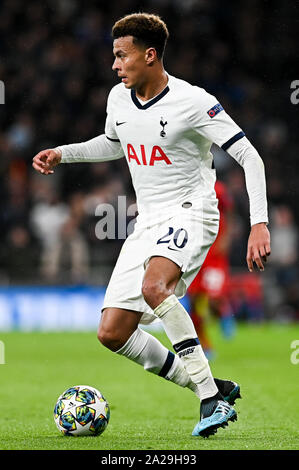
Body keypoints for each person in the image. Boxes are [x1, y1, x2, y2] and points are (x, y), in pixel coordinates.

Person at [32, 12, 271, 438]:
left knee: (154, 287)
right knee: (112, 331)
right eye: (114, 56)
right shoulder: (118, 99)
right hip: (149, 219)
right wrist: (62, 153)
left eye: (121, 56)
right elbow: (112, 143)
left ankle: (209, 398)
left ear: (150, 54)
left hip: (192, 209)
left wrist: (259, 223)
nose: (114, 64)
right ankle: (214, 386)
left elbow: (250, 156)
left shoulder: (194, 101)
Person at [188, 180, 235, 358]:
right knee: (194, 301)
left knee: (214, 298)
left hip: (214, 254)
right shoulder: (184, 184)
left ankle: (224, 311)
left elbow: (230, 213)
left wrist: (227, 237)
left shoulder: (218, 188)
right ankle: (205, 345)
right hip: (194, 254)